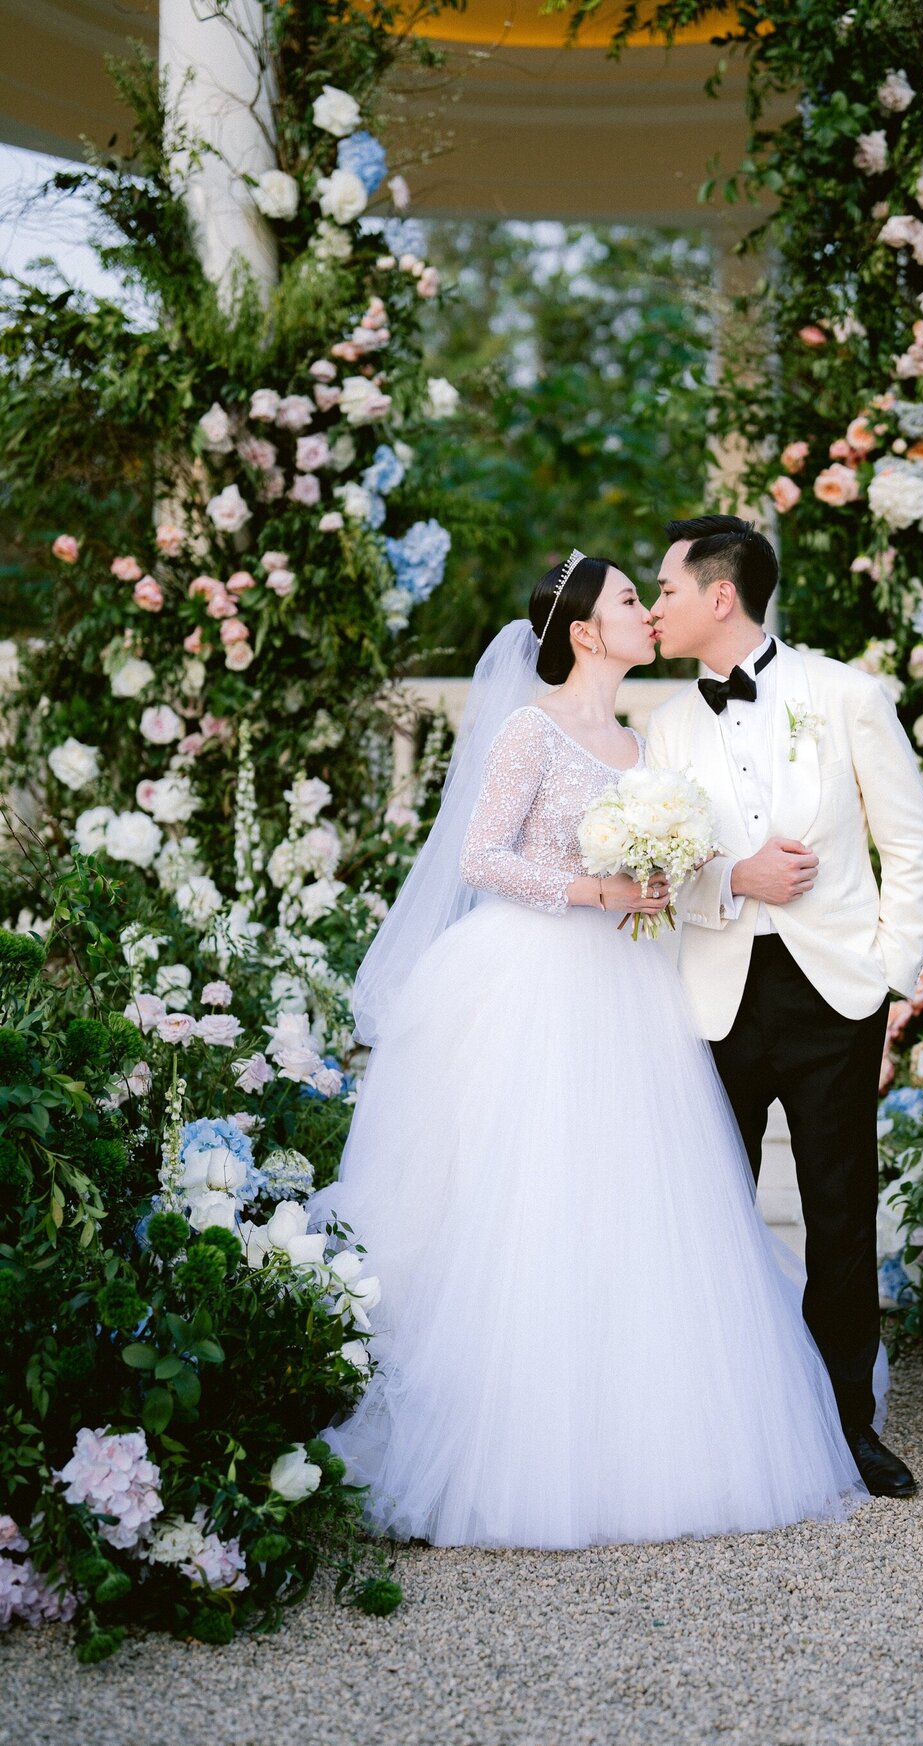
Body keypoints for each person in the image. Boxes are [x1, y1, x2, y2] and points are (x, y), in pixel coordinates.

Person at [304, 549, 876, 1549]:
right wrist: (597, 891)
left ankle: (639, 1420)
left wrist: (693, 875)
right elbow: (483, 856)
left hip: (632, 987)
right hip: (534, 982)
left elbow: (676, 851)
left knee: (635, 1202)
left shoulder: (640, 743)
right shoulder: (531, 731)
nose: (646, 613)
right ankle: (515, 1433)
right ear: (583, 633)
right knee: (530, 1201)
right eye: (627, 600)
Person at [646, 514, 923, 1498]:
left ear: (720, 594)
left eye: (668, 591)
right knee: (710, 1215)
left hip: (833, 998)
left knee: (841, 1212)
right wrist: (737, 875)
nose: (656, 608)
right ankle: (716, 1422)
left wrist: (889, 982)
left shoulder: (847, 696)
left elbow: (914, 846)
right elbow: (652, 870)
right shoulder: (665, 726)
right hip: (715, 1000)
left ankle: (846, 1427)